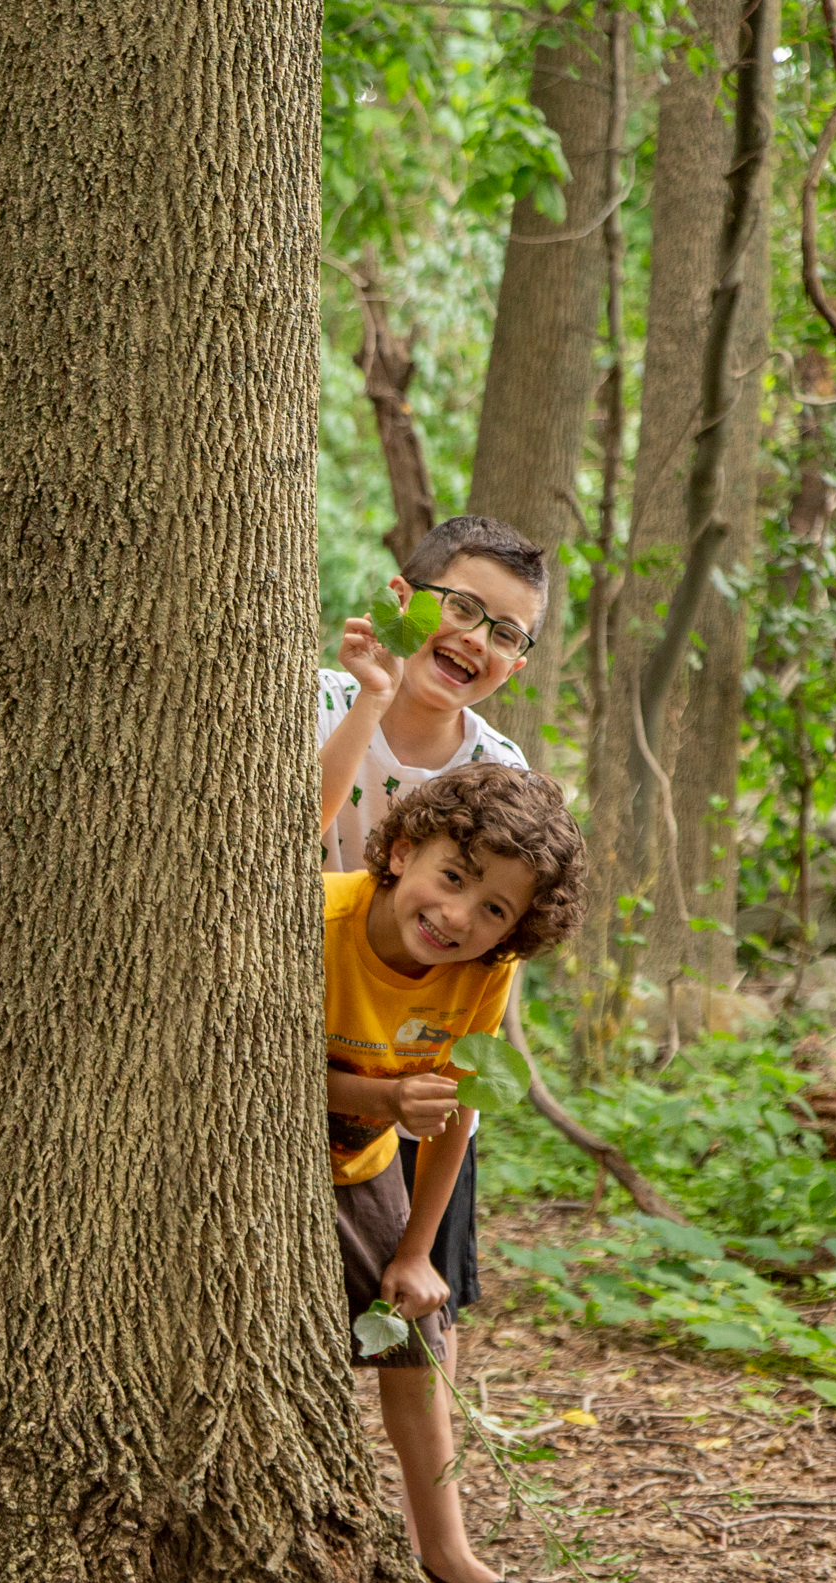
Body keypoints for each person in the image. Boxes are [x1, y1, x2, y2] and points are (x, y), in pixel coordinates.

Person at [324, 764, 585, 1583]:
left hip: (360, 1171)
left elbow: (456, 1113)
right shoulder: (320, 917)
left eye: (495, 910)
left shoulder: (482, 974)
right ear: (401, 852)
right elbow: (248, 1064)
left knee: (415, 1333)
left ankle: (446, 1547)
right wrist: (384, 1101)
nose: (459, 918)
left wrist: (414, 1253)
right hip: (253, 1160)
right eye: (453, 878)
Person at [319, 515, 550, 1378]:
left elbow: (498, 944)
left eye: (505, 633)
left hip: (419, 1050)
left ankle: (431, 1505)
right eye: (462, 608)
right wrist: (372, 698)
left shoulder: (501, 770)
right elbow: (269, 854)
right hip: (310, 1016)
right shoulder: (320, 700)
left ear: (516, 665)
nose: (475, 639)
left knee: (423, 1310)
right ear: (403, 600)